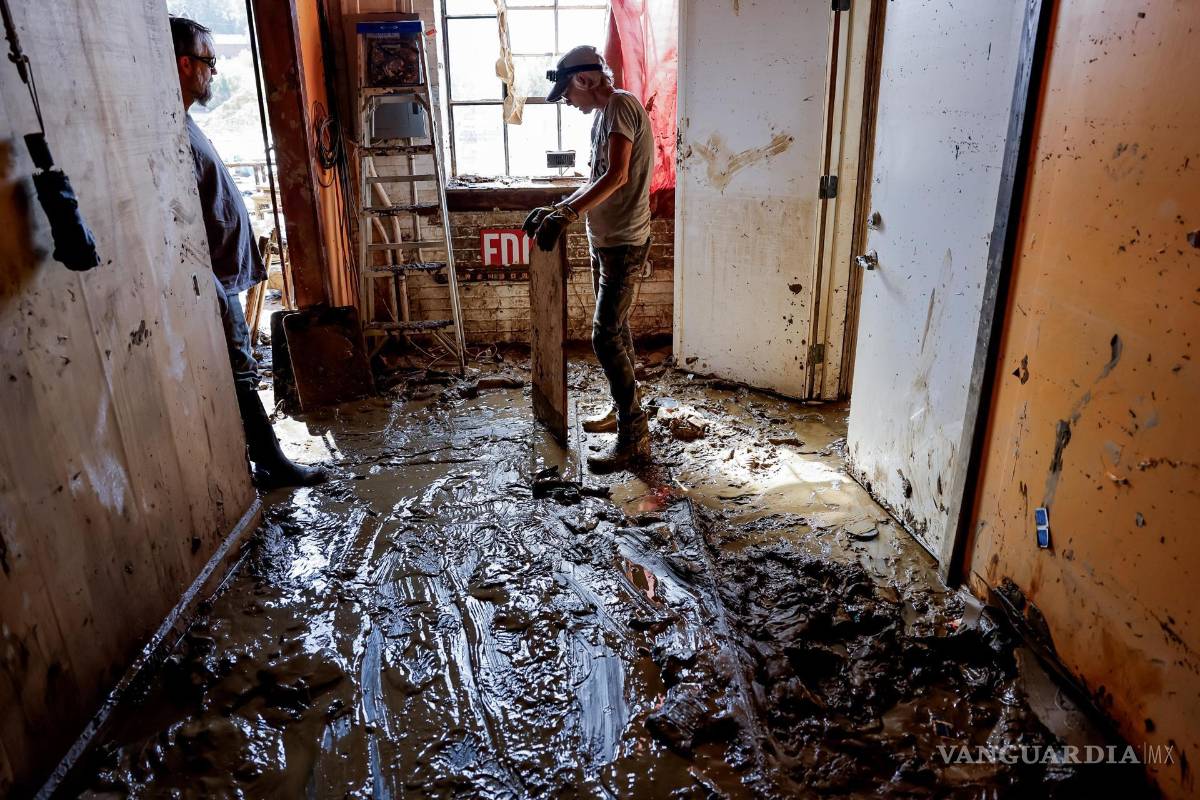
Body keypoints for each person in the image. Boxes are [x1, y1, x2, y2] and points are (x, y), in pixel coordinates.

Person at [170, 16, 326, 488]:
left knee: (238, 364)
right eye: (208, 62)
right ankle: (270, 462)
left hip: (215, 273)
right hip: (204, 278)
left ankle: (256, 457)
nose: (213, 72)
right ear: (183, 64)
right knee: (240, 366)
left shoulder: (185, 122)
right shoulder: (166, 131)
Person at [524, 45, 654, 473]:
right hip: (606, 239)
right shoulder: (603, 116)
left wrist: (566, 213)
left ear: (584, 80)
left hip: (625, 242)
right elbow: (598, 178)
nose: (568, 101)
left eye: (567, 93)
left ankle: (634, 438)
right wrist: (561, 206)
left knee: (604, 337)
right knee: (618, 330)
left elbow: (618, 176)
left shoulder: (620, 106)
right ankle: (625, 411)